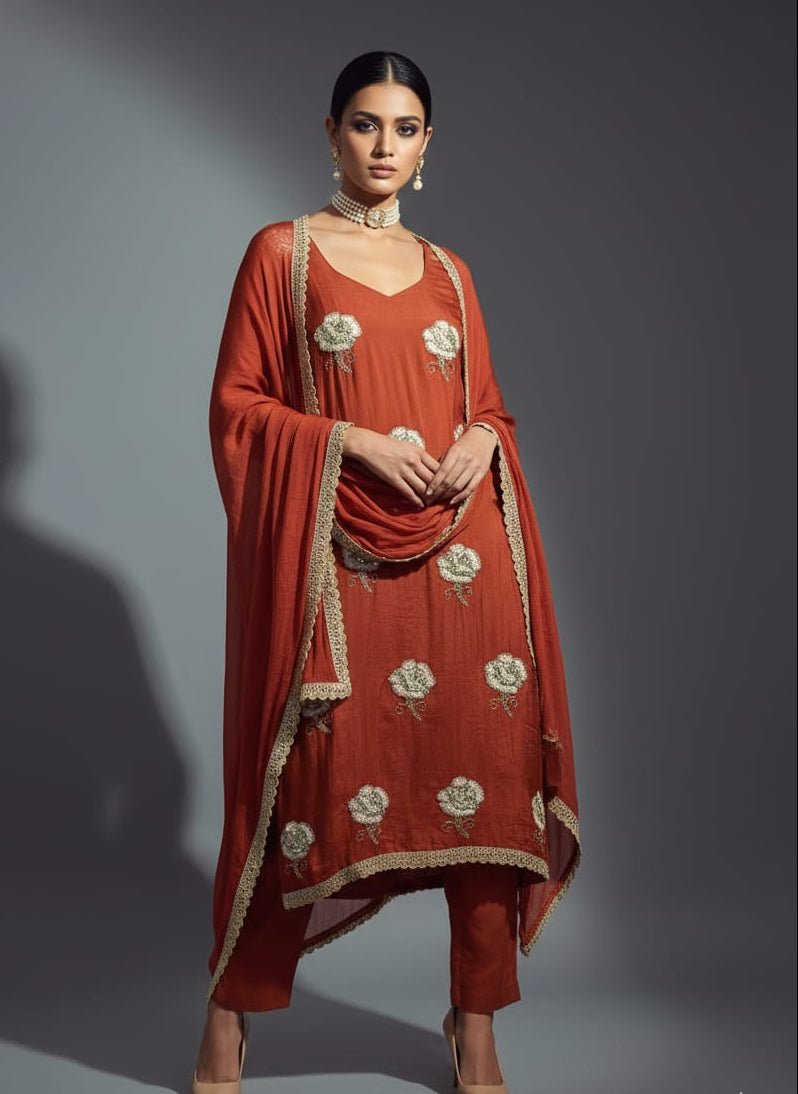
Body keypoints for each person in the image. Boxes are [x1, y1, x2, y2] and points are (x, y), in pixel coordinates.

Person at [191, 50, 581, 1094]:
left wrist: (488, 441)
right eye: (366, 124)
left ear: (427, 145)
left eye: (405, 128)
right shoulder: (283, 253)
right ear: (331, 132)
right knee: (299, 779)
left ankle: (476, 1018)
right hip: (340, 558)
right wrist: (350, 442)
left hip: (464, 559)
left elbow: (486, 403)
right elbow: (238, 409)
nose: (384, 147)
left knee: (490, 787)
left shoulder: (454, 272)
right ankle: (233, 1010)